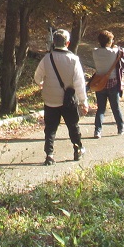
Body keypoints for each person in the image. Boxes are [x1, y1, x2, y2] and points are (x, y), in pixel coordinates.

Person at [33, 28, 88, 164]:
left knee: (50, 128)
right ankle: (77, 149)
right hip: (68, 100)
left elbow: (37, 77)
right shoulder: (73, 60)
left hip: (50, 100)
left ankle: (49, 155)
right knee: (73, 125)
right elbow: (79, 83)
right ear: (68, 43)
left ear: (53, 42)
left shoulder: (47, 58)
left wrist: (41, 83)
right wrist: (83, 101)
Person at [90, 30, 124, 138]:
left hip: (100, 83)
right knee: (115, 107)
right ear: (109, 41)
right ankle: (120, 127)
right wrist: (115, 46)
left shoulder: (95, 52)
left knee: (101, 108)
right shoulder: (115, 52)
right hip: (113, 83)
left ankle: (97, 130)